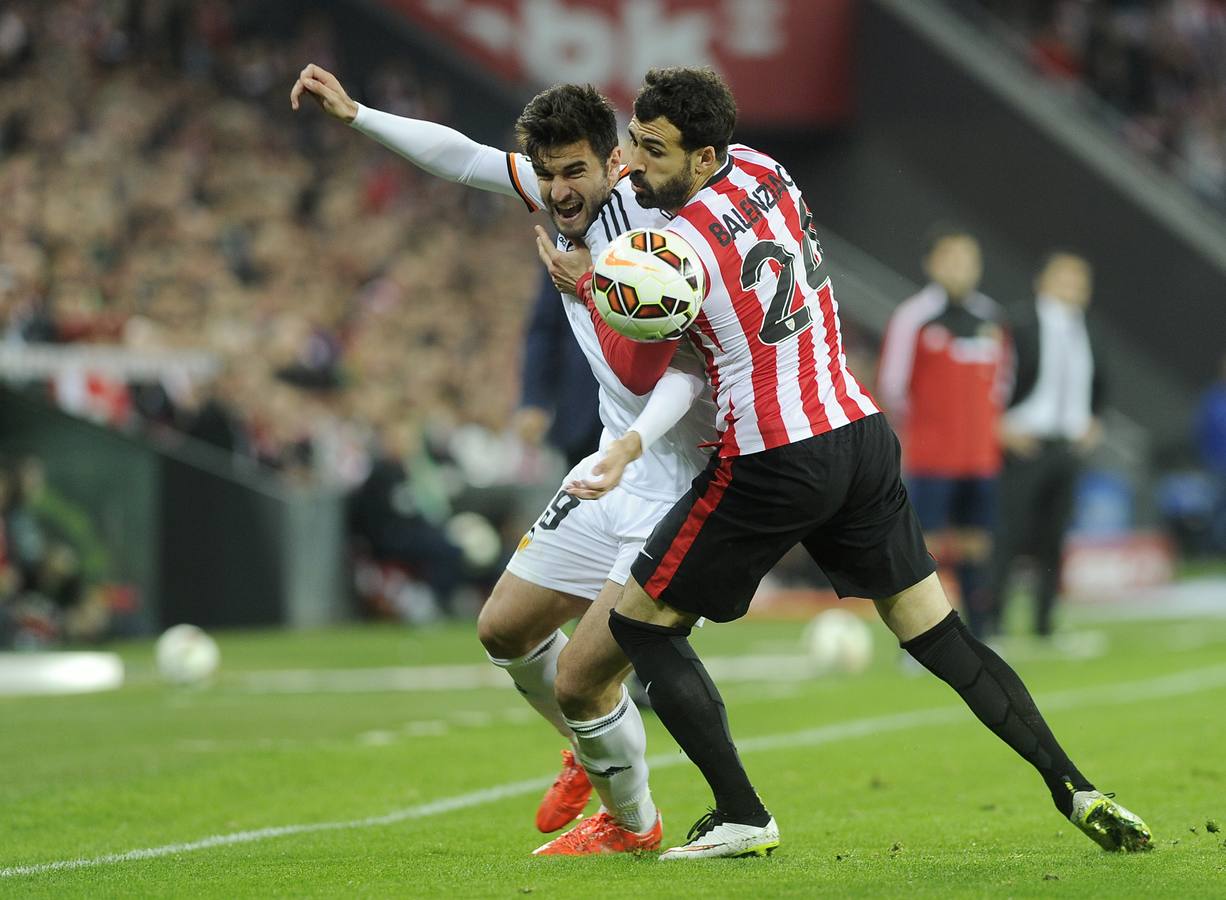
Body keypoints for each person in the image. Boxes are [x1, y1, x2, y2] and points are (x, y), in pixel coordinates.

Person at [550, 66, 1150, 859]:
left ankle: (741, 813)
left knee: (640, 623)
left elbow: (637, 371)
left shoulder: (675, 247)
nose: (632, 161)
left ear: (702, 158)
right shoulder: (766, 168)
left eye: (652, 150)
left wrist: (595, 290)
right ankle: (1074, 786)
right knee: (938, 635)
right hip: (858, 434)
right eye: (632, 141)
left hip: (772, 454)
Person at [291, 64, 718, 855]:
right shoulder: (562, 196)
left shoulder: (657, 237)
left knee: (584, 678)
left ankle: (633, 823)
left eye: (574, 173)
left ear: (614, 162)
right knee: (503, 629)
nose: (557, 191)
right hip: (610, 466)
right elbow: (460, 157)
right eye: (546, 174)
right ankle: (593, 753)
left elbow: (689, 377)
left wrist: (594, 291)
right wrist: (357, 115)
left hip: (678, 482)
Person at [877, 229, 1011, 637]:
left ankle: (982, 634)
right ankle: (927, 637)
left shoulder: (992, 318)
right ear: (932, 264)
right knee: (926, 547)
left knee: (976, 543)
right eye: (950, 258)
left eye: (968, 259)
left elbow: (1002, 384)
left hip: (980, 456)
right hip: (932, 456)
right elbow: (893, 386)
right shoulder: (914, 317)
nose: (960, 267)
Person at [985, 252, 1109, 639]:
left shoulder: (1089, 327)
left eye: (1079, 280)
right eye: (1065, 278)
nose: (1073, 287)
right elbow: (992, 373)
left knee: (1054, 538)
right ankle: (993, 619)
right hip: (1025, 441)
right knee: (1008, 534)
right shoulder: (1018, 322)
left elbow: (1100, 380)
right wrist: (997, 424)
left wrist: (1093, 420)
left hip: (1067, 445)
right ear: (1042, 280)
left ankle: (1044, 623)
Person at [513, 269, 603, 468]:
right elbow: (546, 328)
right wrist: (534, 398)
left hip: (649, 411)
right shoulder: (568, 241)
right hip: (582, 411)